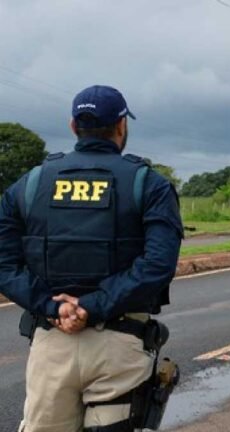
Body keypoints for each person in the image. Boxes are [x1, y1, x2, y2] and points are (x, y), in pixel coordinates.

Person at [0, 85, 183, 432]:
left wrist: (53, 307)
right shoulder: (149, 184)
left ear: (73, 126)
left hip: (52, 343)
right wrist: (92, 306)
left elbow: (5, 264)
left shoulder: (30, 184)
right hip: (120, 345)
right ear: (121, 127)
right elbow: (157, 264)